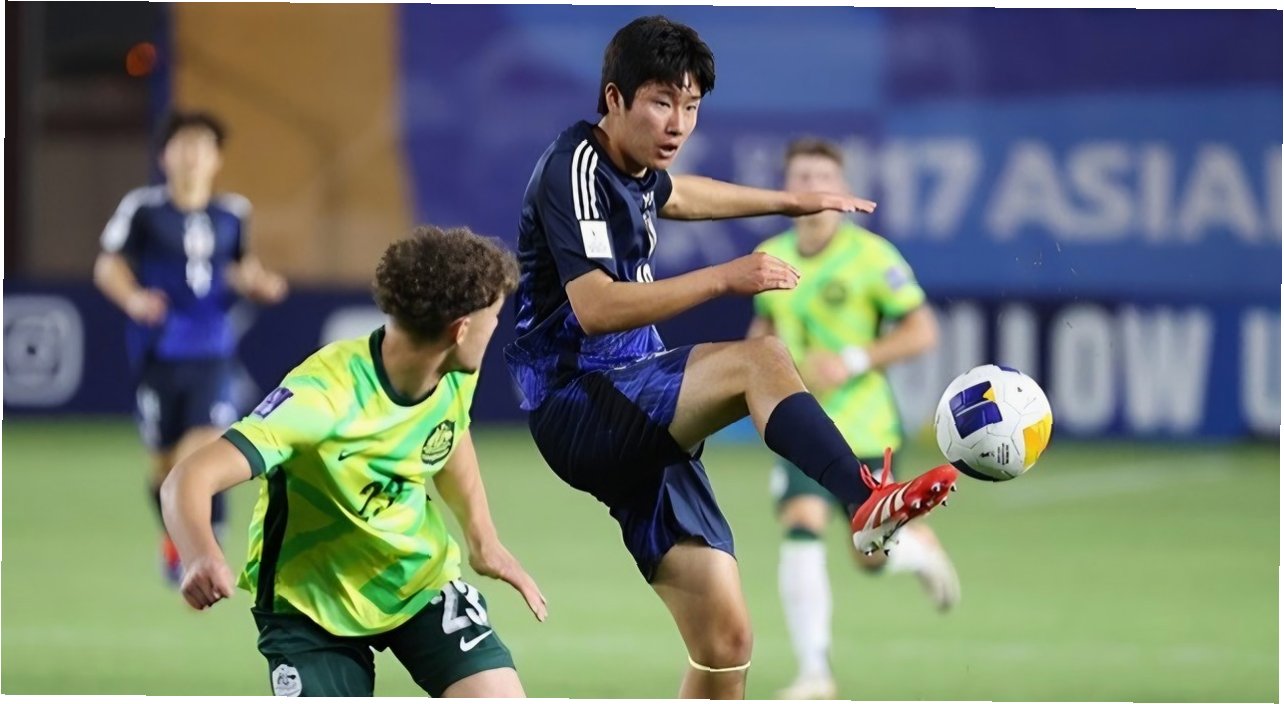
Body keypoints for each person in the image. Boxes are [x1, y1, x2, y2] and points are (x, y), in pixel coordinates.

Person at [505, 15, 959, 699]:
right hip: (580, 398)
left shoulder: (639, 168)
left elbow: (682, 194)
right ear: (613, 99)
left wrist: (793, 202)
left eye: (690, 106)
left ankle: (865, 508)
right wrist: (726, 276)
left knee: (726, 645)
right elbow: (595, 306)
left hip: (635, 407)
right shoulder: (576, 167)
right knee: (760, 360)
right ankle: (866, 501)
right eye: (662, 101)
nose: (678, 124)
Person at [161, 226, 546, 697]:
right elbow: (188, 477)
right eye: (494, 318)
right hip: (310, 605)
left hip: (415, 580)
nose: (496, 328)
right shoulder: (324, 397)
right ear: (460, 329)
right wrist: (200, 555)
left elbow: (447, 430)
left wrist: (483, 539)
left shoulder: (453, 367)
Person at [749, 137, 961, 700]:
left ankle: (916, 551)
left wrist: (853, 360)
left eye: (823, 177)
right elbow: (763, 329)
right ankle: (814, 673)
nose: (812, 187)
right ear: (786, 187)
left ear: (840, 191)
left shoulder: (873, 257)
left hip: (865, 426)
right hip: (801, 421)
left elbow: (922, 331)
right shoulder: (771, 255)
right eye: (802, 176)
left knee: (867, 553)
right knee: (801, 520)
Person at [93, 110, 288, 584]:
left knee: (198, 452)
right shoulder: (143, 209)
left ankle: (205, 544)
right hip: (158, 353)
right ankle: (175, 536)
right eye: (182, 145)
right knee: (163, 465)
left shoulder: (232, 213)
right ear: (164, 155)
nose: (192, 155)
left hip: (213, 353)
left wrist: (260, 283)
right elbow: (108, 266)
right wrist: (135, 299)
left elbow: (241, 268)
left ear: (217, 158)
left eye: (202, 146)